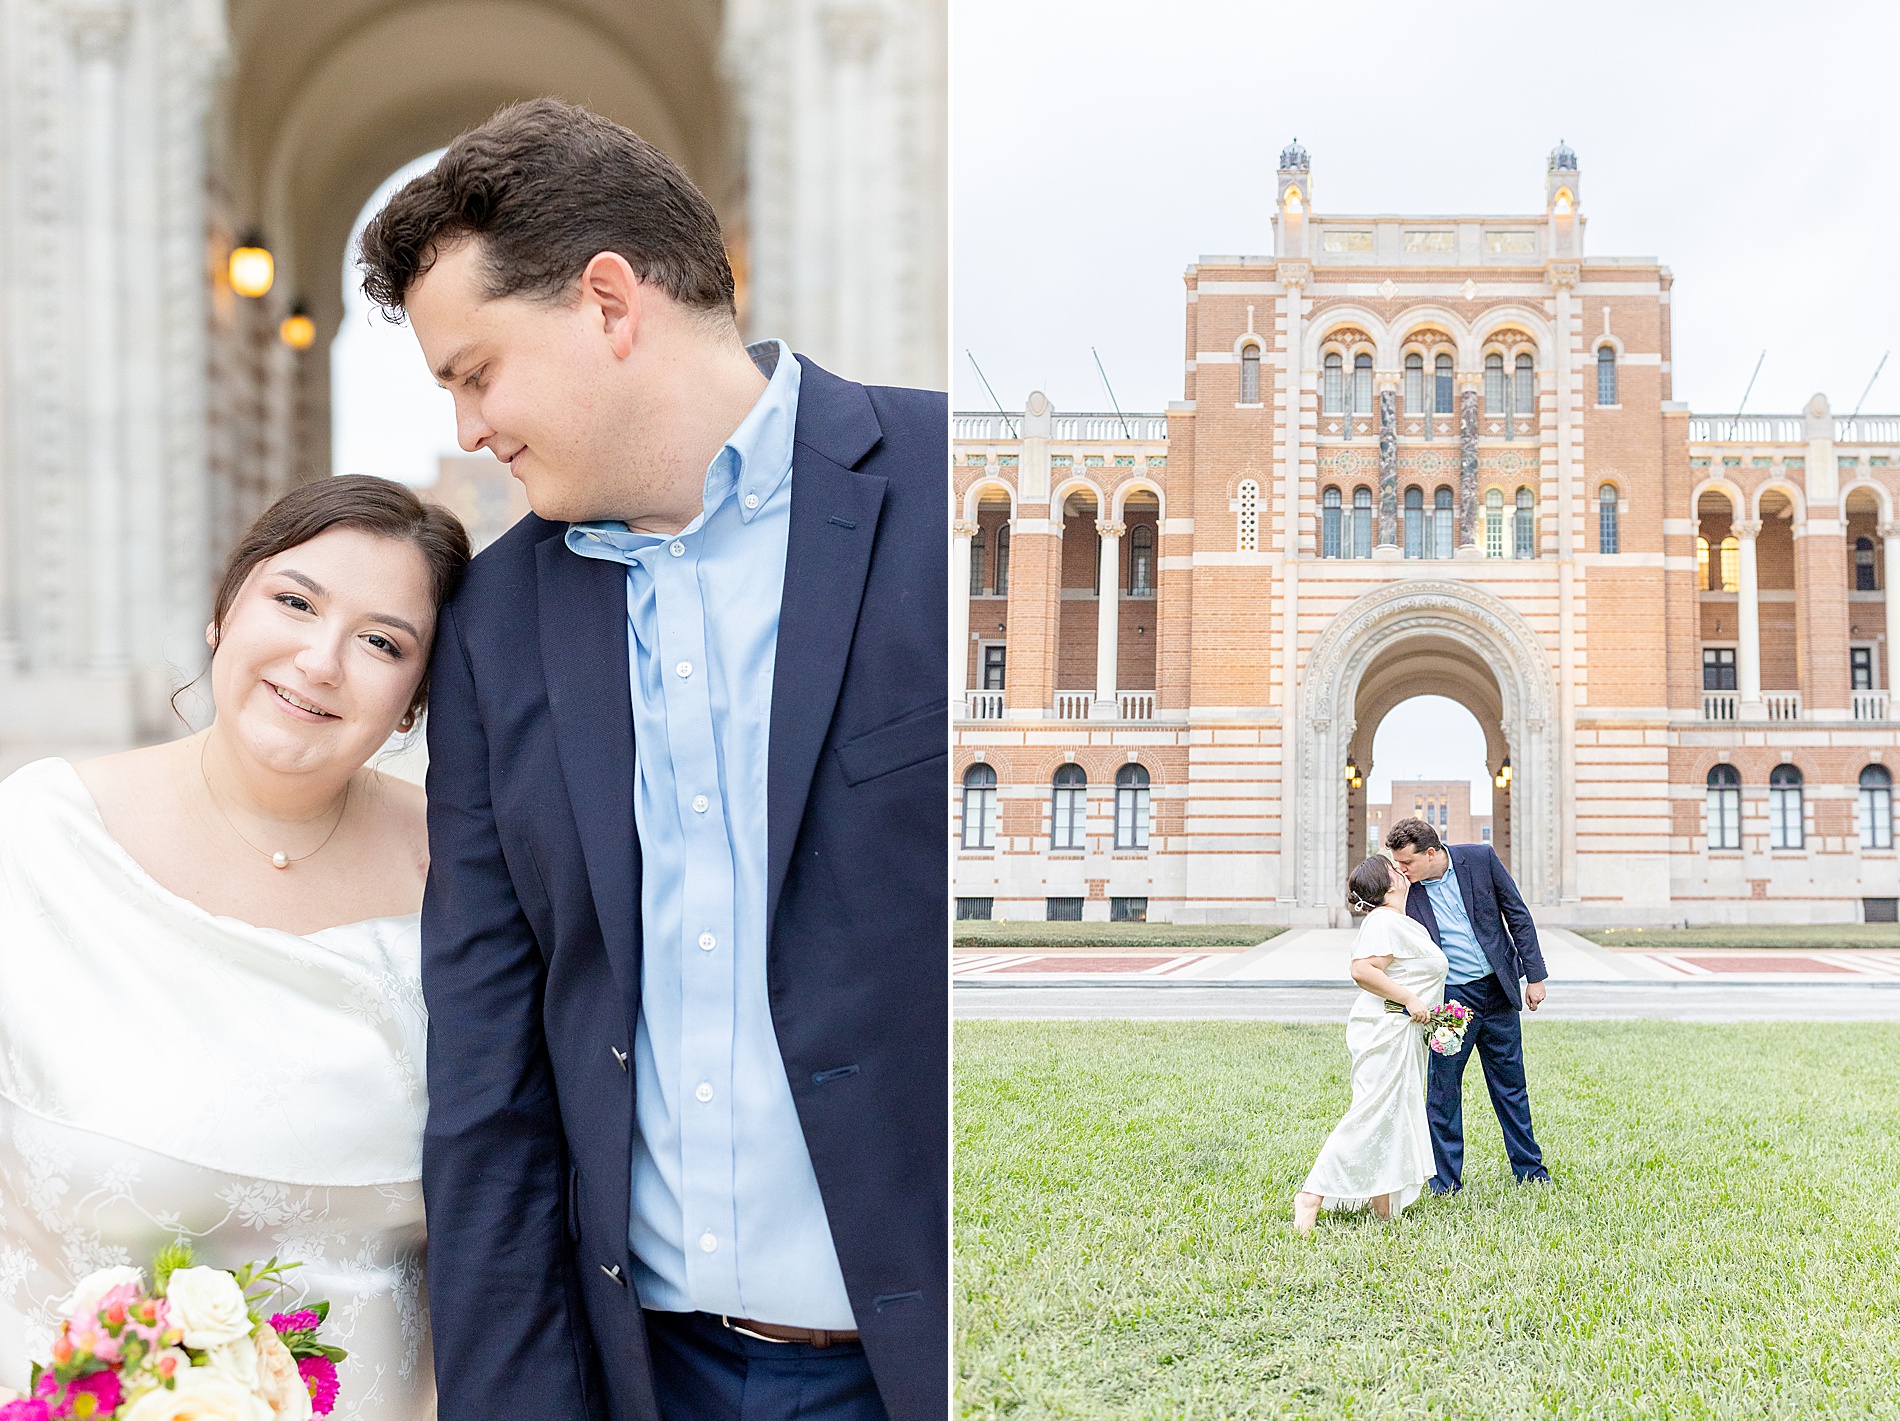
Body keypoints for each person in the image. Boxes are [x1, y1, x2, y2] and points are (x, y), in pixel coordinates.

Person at [356, 100, 946, 1421]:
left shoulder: (943, 488)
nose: (467, 429)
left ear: (609, 303)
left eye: (476, 371)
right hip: (648, 1376)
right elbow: (489, 1074)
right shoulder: (495, 624)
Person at [0, 476, 471, 1417]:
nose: (320, 659)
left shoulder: (467, 874)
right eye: (294, 602)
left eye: (382, 642)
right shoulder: (38, 842)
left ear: (416, 698)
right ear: (224, 613)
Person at [1385, 816, 1553, 1194]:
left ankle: (1530, 1171)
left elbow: (1517, 915)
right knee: (1442, 1091)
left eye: (1408, 863)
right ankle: (1445, 1183)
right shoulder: (1405, 888)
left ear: (1431, 853)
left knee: (1511, 1085)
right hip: (1449, 1003)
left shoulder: (1480, 859)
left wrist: (1535, 976)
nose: (1402, 870)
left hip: (1498, 991)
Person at [1295, 854, 1446, 1233]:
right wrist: (1411, 999)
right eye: (1397, 868)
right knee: (1372, 1112)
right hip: (1386, 1029)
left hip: (1401, 1032)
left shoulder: (1397, 922)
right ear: (1390, 884)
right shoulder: (1383, 922)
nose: (1404, 870)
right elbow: (1362, 970)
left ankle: (1384, 1205)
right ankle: (1311, 1195)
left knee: (1394, 1114)